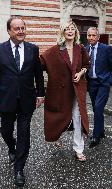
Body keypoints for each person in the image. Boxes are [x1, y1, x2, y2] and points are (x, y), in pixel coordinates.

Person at [0, 17, 45, 187]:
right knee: (5, 130)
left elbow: (38, 73)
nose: (21, 31)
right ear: (9, 31)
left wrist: (41, 93)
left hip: (27, 99)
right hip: (6, 99)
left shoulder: (33, 49)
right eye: (17, 28)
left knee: (24, 133)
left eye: (23, 28)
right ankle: (12, 148)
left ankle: (19, 168)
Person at [40, 20, 90, 161]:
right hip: (60, 91)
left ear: (75, 32)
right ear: (62, 32)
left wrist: (80, 73)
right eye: (67, 29)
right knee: (59, 115)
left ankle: (79, 149)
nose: (70, 31)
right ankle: (56, 136)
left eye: (72, 29)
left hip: (77, 90)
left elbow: (86, 64)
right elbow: (41, 62)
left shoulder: (81, 49)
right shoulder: (55, 50)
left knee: (77, 117)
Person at [86, 27, 112, 148]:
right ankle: (101, 131)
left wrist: (109, 81)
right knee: (98, 109)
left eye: (93, 35)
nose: (91, 38)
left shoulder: (106, 49)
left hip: (103, 84)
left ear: (98, 37)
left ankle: (96, 136)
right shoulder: (85, 49)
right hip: (92, 83)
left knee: (97, 107)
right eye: (89, 35)